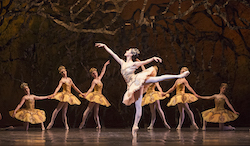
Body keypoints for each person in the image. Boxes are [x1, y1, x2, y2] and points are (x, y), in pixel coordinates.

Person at [95, 43, 190, 135]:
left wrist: (153, 58)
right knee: (138, 106)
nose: (126, 51)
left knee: (157, 78)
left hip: (137, 80)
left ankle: (179, 75)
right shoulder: (122, 62)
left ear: (131, 54)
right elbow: (113, 54)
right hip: (132, 85)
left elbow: (144, 62)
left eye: (128, 50)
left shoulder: (134, 64)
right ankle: (135, 125)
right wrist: (105, 46)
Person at [137, 59, 171, 130]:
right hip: (148, 95)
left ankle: (165, 122)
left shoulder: (155, 79)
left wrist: (162, 92)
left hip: (154, 94)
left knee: (158, 108)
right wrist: (140, 62)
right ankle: (151, 125)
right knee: (152, 111)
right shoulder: (148, 78)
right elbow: (144, 70)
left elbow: (158, 86)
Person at [79, 60, 111, 129]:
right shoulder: (94, 81)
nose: (95, 74)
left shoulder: (99, 78)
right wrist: (86, 94)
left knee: (96, 112)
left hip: (99, 96)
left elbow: (103, 72)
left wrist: (105, 65)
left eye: (95, 73)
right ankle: (82, 123)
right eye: (93, 74)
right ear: (92, 75)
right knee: (88, 109)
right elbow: (91, 89)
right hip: (95, 96)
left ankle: (98, 125)